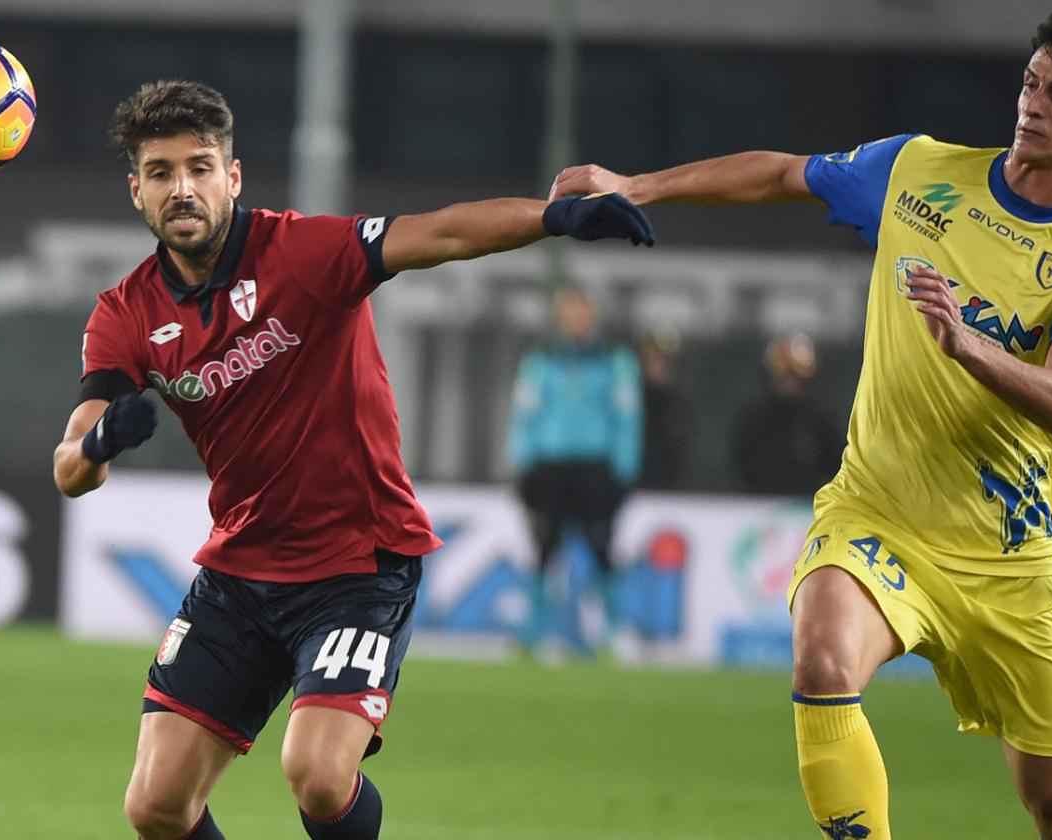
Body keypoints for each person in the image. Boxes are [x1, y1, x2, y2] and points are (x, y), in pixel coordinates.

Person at [551, 8, 1052, 839]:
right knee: (823, 661)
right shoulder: (919, 171)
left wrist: (966, 344)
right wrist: (638, 185)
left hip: (1004, 560)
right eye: (1029, 82)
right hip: (877, 512)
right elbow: (781, 174)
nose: (1033, 104)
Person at [51, 80, 653, 840]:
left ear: (232, 177)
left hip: (357, 567)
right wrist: (100, 443)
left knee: (319, 773)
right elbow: (71, 463)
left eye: (201, 167)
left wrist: (554, 217)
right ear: (136, 190)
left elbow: (441, 234)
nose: (184, 188)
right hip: (241, 575)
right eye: (163, 172)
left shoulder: (302, 252)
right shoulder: (126, 312)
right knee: (156, 805)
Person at [508, 285, 642, 656]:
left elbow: (627, 418)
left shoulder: (615, 359)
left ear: (592, 315)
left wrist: (624, 470)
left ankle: (614, 633)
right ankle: (532, 635)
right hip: (551, 465)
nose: (574, 320)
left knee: (601, 548)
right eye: (568, 312)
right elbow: (525, 415)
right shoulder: (541, 358)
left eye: (580, 311)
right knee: (543, 549)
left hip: (595, 466)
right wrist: (522, 463)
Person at [731, 332, 843, 497]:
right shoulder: (754, 420)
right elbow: (741, 466)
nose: (790, 385)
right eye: (783, 378)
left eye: (796, 379)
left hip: (808, 509)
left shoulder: (821, 422)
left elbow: (836, 467)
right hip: (758, 508)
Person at [637, 327, 688, 490]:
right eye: (653, 360)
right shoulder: (631, 403)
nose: (658, 366)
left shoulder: (679, 404)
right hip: (635, 490)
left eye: (663, 360)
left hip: (673, 490)